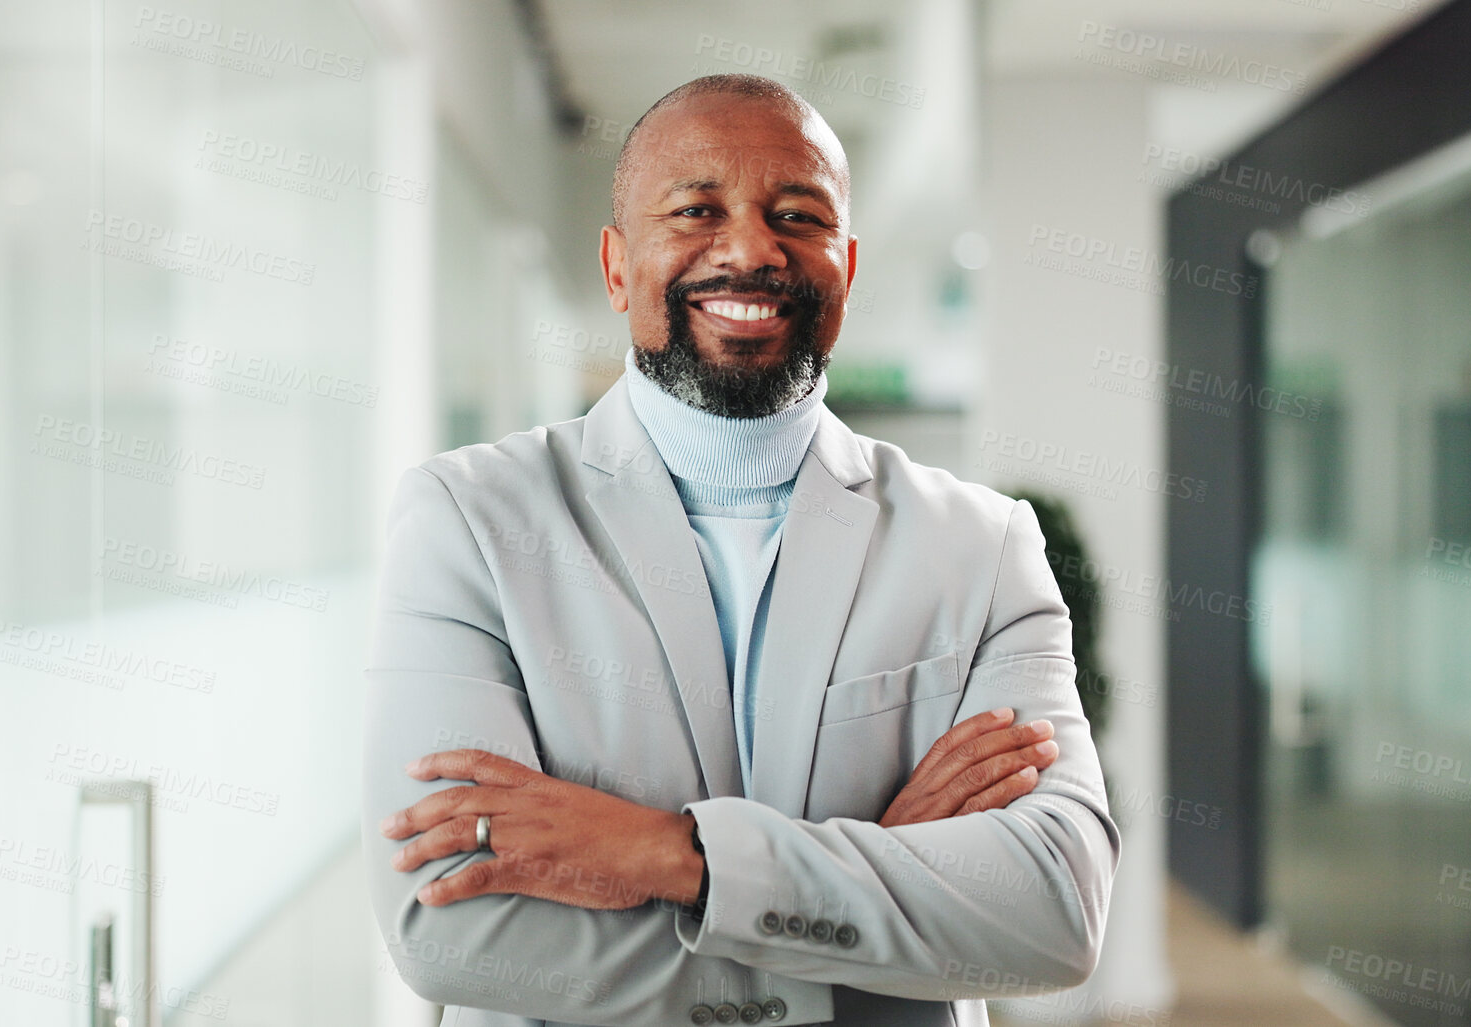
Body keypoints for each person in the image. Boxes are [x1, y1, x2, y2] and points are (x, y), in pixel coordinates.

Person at [364, 73, 1118, 1027]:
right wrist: (869, 892)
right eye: (695, 208)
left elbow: (1051, 908)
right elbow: (449, 926)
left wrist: (668, 855)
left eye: (796, 215)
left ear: (844, 264)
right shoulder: (469, 519)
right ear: (615, 265)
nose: (753, 247)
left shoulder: (980, 541)